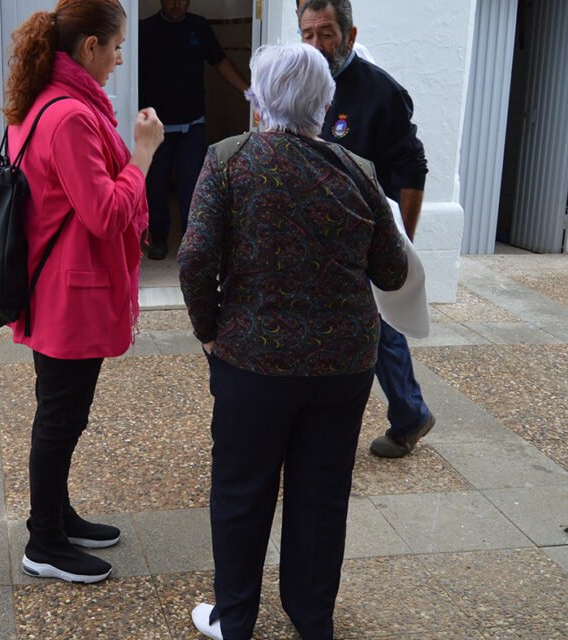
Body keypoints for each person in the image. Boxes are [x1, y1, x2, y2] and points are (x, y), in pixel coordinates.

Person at [178, 43, 409, 640]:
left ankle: (236, 619)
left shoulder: (228, 161)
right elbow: (392, 272)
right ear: (325, 102)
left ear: (258, 98)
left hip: (251, 361)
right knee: (322, 495)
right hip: (343, 365)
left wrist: (209, 329)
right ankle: (312, 620)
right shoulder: (358, 171)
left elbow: (195, 258)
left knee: (241, 491)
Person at [3, 0, 165, 584]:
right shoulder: (70, 116)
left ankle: (57, 516)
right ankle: (43, 542)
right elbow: (104, 213)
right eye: (116, 47)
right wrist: (143, 152)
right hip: (68, 293)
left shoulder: (44, 103)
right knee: (59, 418)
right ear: (89, 47)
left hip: (58, 286)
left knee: (63, 414)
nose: (120, 59)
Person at [299, 0, 435, 458]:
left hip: (366, 235)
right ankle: (406, 414)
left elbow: (413, 169)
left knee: (379, 325)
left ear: (350, 37)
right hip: (316, 236)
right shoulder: (303, 83)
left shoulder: (381, 93)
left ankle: (409, 416)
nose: (316, 46)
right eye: (308, 34)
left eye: (327, 34)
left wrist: (401, 243)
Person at [139, 0, 249, 260]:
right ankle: (158, 238)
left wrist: (249, 92)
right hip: (158, 127)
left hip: (193, 125)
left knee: (193, 186)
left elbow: (219, 61)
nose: (177, 4)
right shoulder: (147, 30)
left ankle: (193, 244)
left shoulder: (198, 27)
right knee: (156, 185)